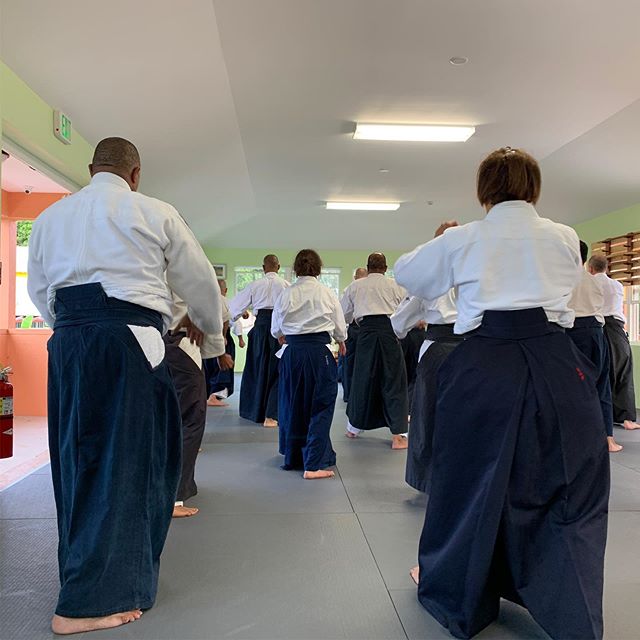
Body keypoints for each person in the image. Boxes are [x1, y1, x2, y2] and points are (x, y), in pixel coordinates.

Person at [395, 147, 609, 639]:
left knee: (469, 478)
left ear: (483, 190)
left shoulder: (464, 238)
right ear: (534, 188)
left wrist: (451, 247)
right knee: (566, 480)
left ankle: (458, 589)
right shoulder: (563, 237)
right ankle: (569, 609)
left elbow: (407, 272)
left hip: (486, 363)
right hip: (557, 363)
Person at [26, 137, 225, 635]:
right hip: (130, 341)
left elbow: (38, 287)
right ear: (135, 174)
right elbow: (199, 281)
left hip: (69, 341)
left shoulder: (52, 217)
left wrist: (71, 328)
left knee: (78, 460)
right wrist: (215, 337)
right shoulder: (155, 212)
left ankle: (84, 580)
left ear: (91, 169)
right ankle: (90, 601)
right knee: (136, 463)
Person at [271, 249, 347, 479]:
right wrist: (341, 341)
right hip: (319, 355)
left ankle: (292, 455)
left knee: (292, 404)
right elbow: (339, 327)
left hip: (292, 354)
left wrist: (288, 335)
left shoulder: (286, 294)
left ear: (295, 269)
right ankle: (313, 464)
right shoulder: (327, 293)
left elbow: (276, 329)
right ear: (319, 268)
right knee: (321, 405)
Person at [165, 294, 234, 518]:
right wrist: (219, 352)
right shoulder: (183, 267)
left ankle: (159, 488)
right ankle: (174, 496)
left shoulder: (142, 266)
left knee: (162, 418)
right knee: (190, 419)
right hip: (181, 344)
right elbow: (212, 311)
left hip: (149, 343)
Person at [390, 291, 459, 494]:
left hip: (437, 349)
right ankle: (468, 479)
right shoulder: (481, 271)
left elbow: (399, 323)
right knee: (470, 416)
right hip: (476, 348)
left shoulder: (431, 280)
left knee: (427, 416)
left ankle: (427, 479)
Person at [341, 253, 408, 449]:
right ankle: (398, 436)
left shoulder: (355, 286)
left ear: (368, 267)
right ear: (385, 268)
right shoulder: (395, 285)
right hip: (390, 334)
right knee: (393, 380)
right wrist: (400, 331)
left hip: (366, 334)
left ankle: (353, 428)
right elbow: (407, 310)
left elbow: (343, 314)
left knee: (362, 380)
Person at [567, 243, 622, 453]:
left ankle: (577, 438)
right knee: (601, 384)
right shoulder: (595, 280)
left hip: (573, 332)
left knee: (573, 386)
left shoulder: (565, 280)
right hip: (596, 333)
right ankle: (608, 438)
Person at [229, 255, 289, 427]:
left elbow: (234, 308)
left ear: (264, 268)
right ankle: (272, 414)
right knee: (277, 370)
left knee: (257, 369)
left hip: (260, 329)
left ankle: (254, 412)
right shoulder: (285, 285)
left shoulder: (255, 285)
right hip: (279, 331)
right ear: (278, 266)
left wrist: (232, 322)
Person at [588, 254, 640, 430]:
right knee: (623, 371)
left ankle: (601, 418)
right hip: (617, 329)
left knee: (601, 374)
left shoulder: (590, 283)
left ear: (590, 269)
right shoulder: (617, 285)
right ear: (607, 268)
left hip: (596, 327)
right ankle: (627, 419)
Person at [204, 279, 238, 407]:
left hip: (206, 336)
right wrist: (224, 337)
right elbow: (228, 319)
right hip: (221, 335)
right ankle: (214, 396)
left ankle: (208, 394)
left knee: (208, 366)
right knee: (223, 366)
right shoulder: (224, 300)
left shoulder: (205, 300)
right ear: (226, 290)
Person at [341, 267, 368, 401]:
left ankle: (349, 395)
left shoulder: (349, 289)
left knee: (349, 363)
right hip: (365, 328)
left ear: (355, 277)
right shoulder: (370, 290)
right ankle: (361, 395)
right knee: (365, 362)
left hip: (353, 328)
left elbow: (344, 313)